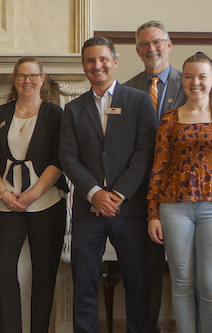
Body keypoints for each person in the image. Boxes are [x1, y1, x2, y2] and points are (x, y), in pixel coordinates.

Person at [58, 37, 156, 333]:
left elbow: (145, 151)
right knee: (84, 284)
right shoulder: (73, 109)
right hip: (88, 211)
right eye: (90, 60)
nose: (97, 65)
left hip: (131, 209)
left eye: (103, 59)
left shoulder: (139, 101)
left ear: (115, 61)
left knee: (138, 284)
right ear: (84, 66)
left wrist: (117, 194)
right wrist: (95, 193)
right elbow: (68, 157)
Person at [146, 52, 212, 333]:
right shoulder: (169, 120)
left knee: (211, 284)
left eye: (202, 76)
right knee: (181, 282)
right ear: (182, 81)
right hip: (173, 208)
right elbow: (158, 167)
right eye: (189, 76)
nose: (195, 82)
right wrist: (152, 213)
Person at [0, 56, 67, 333]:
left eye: (33, 75)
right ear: (14, 79)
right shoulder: (0, 114)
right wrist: (4, 193)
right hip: (6, 204)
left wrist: (31, 196)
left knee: (44, 276)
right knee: (4, 273)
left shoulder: (55, 114)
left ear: (42, 79)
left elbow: (59, 160)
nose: (27, 81)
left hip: (45, 203)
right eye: (22, 75)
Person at [123, 22, 186, 330]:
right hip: (138, 197)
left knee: (186, 273)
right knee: (143, 273)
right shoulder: (126, 88)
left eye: (157, 42)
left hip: (180, 193)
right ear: (137, 50)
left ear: (169, 45)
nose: (152, 49)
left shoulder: (188, 83)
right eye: (145, 45)